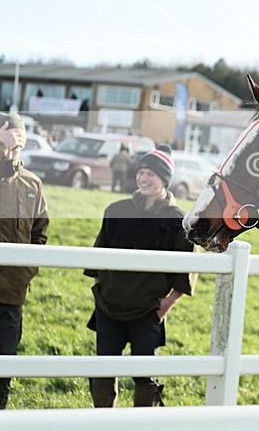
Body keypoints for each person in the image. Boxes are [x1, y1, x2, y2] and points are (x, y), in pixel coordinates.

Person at [84, 145, 196, 407]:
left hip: (148, 310)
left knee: (145, 374)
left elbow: (186, 271)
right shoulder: (116, 210)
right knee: (103, 367)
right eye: (141, 172)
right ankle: (102, 421)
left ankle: (142, 421)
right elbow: (98, 255)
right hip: (108, 305)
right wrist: (100, 289)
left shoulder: (178, 220)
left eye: (151, 174)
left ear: (164, 180)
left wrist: (166, 304)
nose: (144, 178)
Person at [0, 113, 49, 410]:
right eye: (6, 144)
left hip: (10, 298)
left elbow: (40, 235)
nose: (11, 152)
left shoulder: (33, 184)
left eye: (17, 145)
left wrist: (24, 273)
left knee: (0, 375)